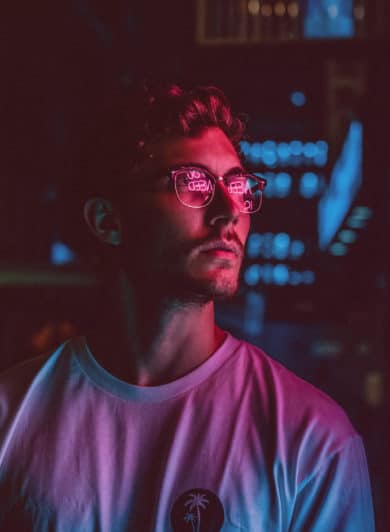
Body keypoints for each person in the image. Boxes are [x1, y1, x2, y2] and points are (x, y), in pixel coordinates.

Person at [0, 83, 375, 531]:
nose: (228, 210)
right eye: (192, 184)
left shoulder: (311, 437)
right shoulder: (12, 412)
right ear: (107, 220)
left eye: (237, 185)